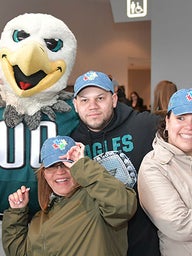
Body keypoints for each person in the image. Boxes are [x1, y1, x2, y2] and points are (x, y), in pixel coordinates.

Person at [71, 70, 161, 256]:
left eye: (100, 98)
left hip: (144, 240)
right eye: (84, 100)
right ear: (75, 105)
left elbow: (181, 129)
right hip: (98, 243)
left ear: (113, 99)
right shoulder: (71, 141)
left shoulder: (143, 125)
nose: (92, 106)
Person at [2, 135, 137, 256]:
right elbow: (19, 253)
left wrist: (83, 166)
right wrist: (16, 213)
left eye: (67, 164)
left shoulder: (96, 200)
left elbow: (122, 206)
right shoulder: (41, 217)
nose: (60, 172)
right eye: (53, 166)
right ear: (44, 173)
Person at [138, 88, 192, 256]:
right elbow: (179, 226)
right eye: (181, 118)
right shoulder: (154, 165)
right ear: (167, 121)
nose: (189, 127)